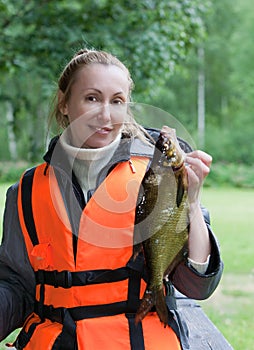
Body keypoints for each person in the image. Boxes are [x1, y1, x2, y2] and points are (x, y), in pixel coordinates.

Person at [0, 48, 223, 350]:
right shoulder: (24, 192)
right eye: (92, 98)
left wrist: (192, 203)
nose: (106, 115)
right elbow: (16, 287)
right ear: (64, 104)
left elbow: (197, 284)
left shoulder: (158, 176)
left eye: (117, 101)